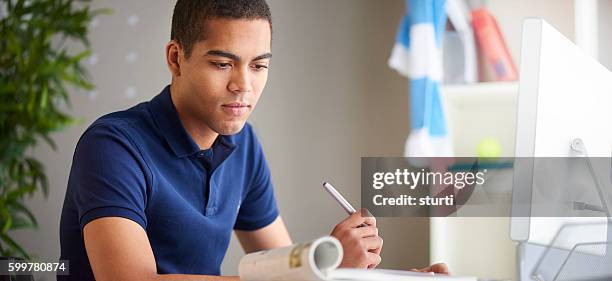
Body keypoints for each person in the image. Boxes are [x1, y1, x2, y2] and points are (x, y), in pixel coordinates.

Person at [58, 1, 446, 280]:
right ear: (176, 58)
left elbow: (280, 265)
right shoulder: (113, 147)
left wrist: (394, 279)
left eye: (259, 65)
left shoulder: (242, 144)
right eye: (223, 63)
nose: (243, 85)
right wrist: (320, 265)